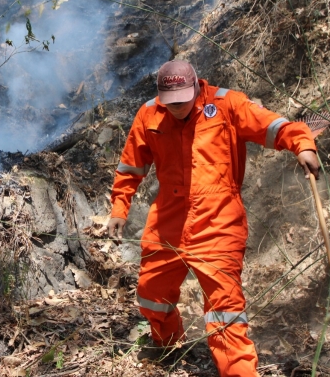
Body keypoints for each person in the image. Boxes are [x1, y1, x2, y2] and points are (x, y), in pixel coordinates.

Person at [107, 60, 319, 377]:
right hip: (167, 220)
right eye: (171, 102)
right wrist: (119, 207)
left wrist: (302, 146)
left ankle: (238, 373)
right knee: (151, 295)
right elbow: (131, 167)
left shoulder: (226, 104)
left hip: (219, 222)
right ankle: (167, 348)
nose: (177, 107)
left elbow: (274, 126)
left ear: (197, 86)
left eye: (183, 99)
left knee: (224, 310)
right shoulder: (149, 114)